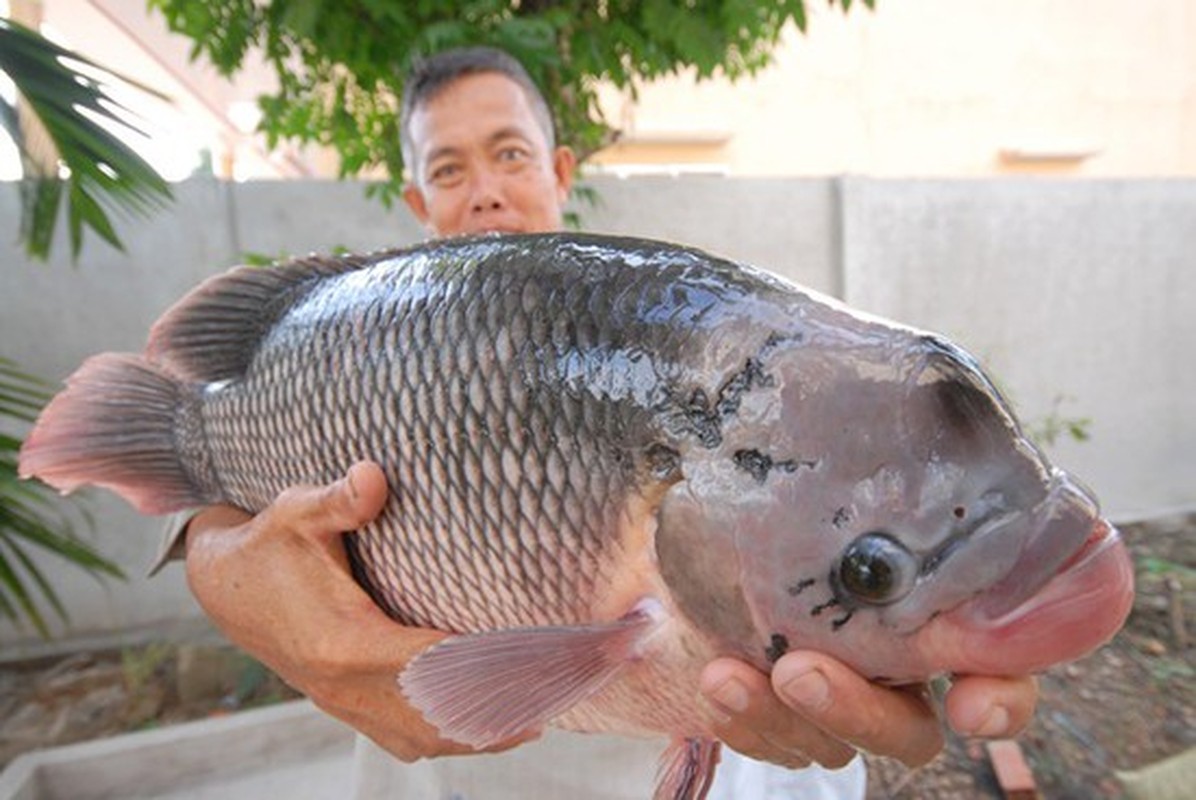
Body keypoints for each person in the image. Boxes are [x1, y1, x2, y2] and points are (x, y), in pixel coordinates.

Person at [171, 46, 1039, 798]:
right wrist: (225, 573)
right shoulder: (363, 350)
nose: (484, 193)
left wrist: (947, 584)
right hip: (452, 773)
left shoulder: (671, 330)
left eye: (509, 153)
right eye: (448, 169)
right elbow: (220, 523)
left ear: (559, 169)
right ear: (414, 198)